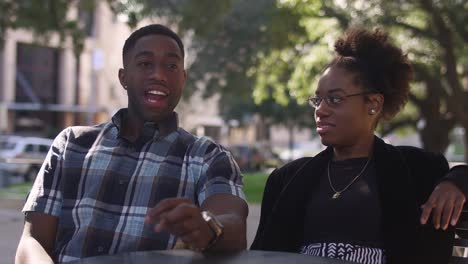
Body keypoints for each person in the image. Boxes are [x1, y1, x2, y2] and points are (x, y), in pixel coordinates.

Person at [15, 24, 248, 263]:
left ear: (183, 78)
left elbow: (235, 226)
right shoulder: (71, 145)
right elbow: (31, 241)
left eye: (171, 66)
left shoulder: (209, 157)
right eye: (146, 64)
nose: (159, 75)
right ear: (123, 77)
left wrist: (208, 227)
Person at [251, 27, 468, 264]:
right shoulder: (286, 179)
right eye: (318, 100)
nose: (320, 110)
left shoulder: (418, 169)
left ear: (373, 103)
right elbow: (261, 255)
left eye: (334, 99)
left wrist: (457, 181)